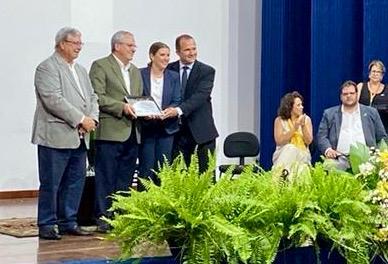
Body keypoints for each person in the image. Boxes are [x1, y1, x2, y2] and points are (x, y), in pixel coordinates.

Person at [31, 27, 99, 240]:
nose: (79, 47)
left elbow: (93, 96)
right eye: (75, 43)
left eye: (81, 43)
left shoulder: (80, 70)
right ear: (61, 44)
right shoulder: (47, 68)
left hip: (79, 137)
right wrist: (81, 119)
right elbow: (53, 99)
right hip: (55, 135)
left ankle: (68, 221)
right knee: (52, 182)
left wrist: (93, 118)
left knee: (75, 181)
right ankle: (47, 224)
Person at [89, 31, 143, 232]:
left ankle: (121, 214)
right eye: (130, 45)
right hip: (111, 130)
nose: (133, 49)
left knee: (125, 177)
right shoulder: (101, 65)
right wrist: (121, 107)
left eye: (134, 45)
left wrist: (147, 110)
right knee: (106, 176)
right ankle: (103, 216)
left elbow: (138, 98)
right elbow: (97, 96)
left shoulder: (135, 71)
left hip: (133, 131)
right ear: (117, 46)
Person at [164, 34, 218, 173]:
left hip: (201, 133)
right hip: (176, 134)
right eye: (187, 50)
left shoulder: (206, 71)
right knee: (176, 179)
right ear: (178, 52)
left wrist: (178, 110)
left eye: (194, 48)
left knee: (206, 179)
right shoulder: (168, 69)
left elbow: (200, 97)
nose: (192, 53)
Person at [138, 42, 181, 189]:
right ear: (152, 56)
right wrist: (145, 113)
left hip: (167, 129)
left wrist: (170, 110)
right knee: (146, 169)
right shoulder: (140, 73)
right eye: (162, 55)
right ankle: (143, 207)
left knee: (163, 169)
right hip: (146, 128)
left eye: (168, 55)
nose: (166, 58)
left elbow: (177, 100)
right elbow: (136, 97)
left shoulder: (173, 76)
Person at [317, 80, 387, 170]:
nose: (348, 96)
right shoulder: (329, 114)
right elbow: (321, 136)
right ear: (341, 96)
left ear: (357, 95)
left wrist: (376, 156)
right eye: (345, 94)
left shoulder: (371, 112)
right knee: (329, 166)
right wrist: (328, 149)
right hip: (338, 158)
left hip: (367, 160)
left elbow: (382, 138)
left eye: (351, 93)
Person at [272, 91, 313, 170]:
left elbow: (308, 141)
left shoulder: (306, 120)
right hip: (282, 155)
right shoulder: (279, 120)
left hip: (302, 155)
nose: (302, 107)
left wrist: (303, 125)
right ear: (290, 107)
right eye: (298, 105)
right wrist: (295, 128)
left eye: (301, 104)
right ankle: (282, 177)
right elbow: (279, 141)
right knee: (290, 148)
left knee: (294, 154)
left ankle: (282, 178)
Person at [358, 60, 388, 132]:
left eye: (378, 72)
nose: (375, 74)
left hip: (383, 128)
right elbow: (353, 106)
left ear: (382, 75)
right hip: (362, 128)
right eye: (373, 71)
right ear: (369, 73)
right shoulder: (360, 86)